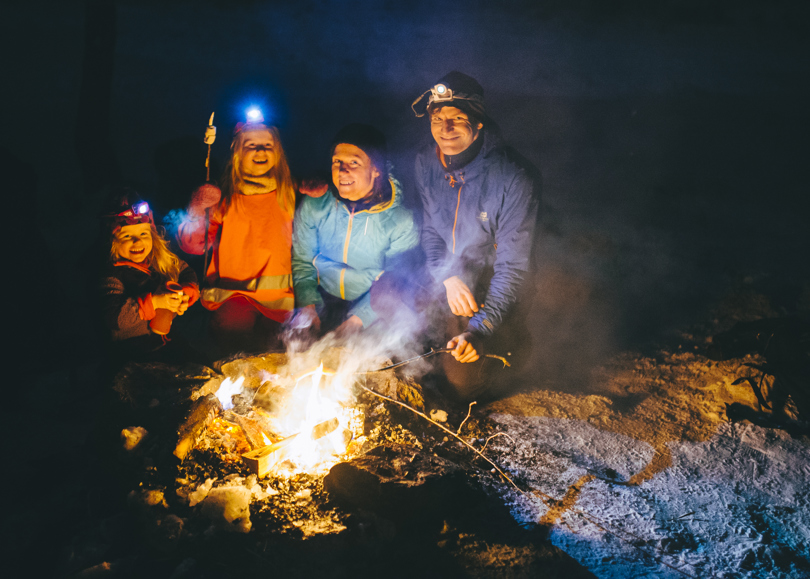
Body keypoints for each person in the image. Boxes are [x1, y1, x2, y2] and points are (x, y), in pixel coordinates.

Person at [411, 71, 540, 401]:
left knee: (464, 384)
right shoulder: (426, 162)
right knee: (388, 293)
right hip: (451, 277)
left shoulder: (513, 177)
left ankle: (511, 346)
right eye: (438, 118)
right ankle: (436, 341)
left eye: (457, 118)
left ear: (479, 123)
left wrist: (480, 330)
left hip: (488, 282)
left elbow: (512, 267)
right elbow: (431, 232)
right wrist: (449, 276)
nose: (446, 128)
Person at [177, 114, 296, 354]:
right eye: (251, 145)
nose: (260, 150)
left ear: (278, 152)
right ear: (238, 152)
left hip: (279, 302)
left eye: (267, 145)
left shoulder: (289, 196)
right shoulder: (224, 199)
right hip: (232, 297)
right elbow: (195, 245)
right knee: (234, 358)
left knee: (274, 362)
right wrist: (197, 210)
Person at [291, 123, 419, 335]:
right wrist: (307, 306)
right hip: (321, 299)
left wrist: (357, 321)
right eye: (337, 161)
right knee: (296, 349)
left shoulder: (401, 220)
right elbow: (303, 261)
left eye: (354, 162)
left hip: (371, 306)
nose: (342, 170)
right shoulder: (316, 204)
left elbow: (397, 279)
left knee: (366, 357)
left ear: (376, 169)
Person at [99, 190, 200, 365]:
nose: (137, 242)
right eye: (127, 236)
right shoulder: (111, 274)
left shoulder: (158, 259)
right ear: (112, 241)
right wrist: (155, 302)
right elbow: (114, 317)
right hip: (131, 350)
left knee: (198, 363)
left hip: (166, 339)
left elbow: (185, 271)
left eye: (144, 234)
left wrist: (185, 292)